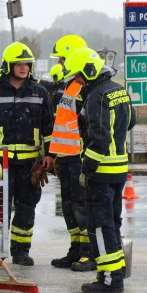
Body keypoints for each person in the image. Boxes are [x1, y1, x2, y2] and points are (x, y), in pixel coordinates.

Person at [63, 47, 135, 293]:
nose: (78, 83)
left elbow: (99, 138)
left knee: (100, 228)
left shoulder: (96, 96)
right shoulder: (119, 90)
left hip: (101, 172)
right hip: (119, 170)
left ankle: (109, 280)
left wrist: (87, 169)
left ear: (89, 71)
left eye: (79, 78)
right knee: (112, 224)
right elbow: (131, 121)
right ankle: (114, 275)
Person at [0, 41, 54, 267]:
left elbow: (48, 128)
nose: (23, 67)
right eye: (18, 63)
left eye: (27, 64)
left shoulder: (40, 91)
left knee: (26, 208)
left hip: (29, 165)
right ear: (8, 65)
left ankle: (21, 251)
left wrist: (50, 155)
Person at [48, 35, 95, 272]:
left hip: (79, 157)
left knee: (81, 206)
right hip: (66, 157)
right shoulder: (70, 86)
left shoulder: (86, 88)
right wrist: (54, 154)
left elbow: (89, 126)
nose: (60, 62)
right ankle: (76, 249)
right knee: (68, 207)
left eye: (63, 58)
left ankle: (89, 253)